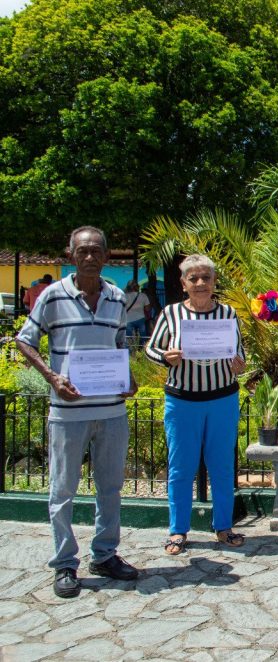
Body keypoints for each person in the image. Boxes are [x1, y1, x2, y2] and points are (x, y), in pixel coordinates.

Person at [15, 227, 139, 598]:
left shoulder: (116, 297)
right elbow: (24, 340)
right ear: (71, 255)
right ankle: (65, 563)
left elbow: (118, 343)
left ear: (106, 256)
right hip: (68, 413)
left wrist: (128, 377)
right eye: (82, 251)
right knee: (63, 490)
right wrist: (52, 377)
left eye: (96, 251)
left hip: (111, 411)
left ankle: (105, 554)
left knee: (111, 488)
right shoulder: (53, 295)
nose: (90, 257)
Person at [145, 254, 247, 555]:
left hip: (222, 400)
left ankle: (224, 527)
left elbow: (239, 352)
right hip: (182, 402)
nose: (201, 283)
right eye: (194, 278)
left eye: (206, 278)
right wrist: (166, 357)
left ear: (214, 282)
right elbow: (151, 349)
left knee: (223, 467)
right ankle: (178, 530)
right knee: (180, 467)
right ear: (183, 283)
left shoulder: (228, 313)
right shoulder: (171, 313)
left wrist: (239, 364)